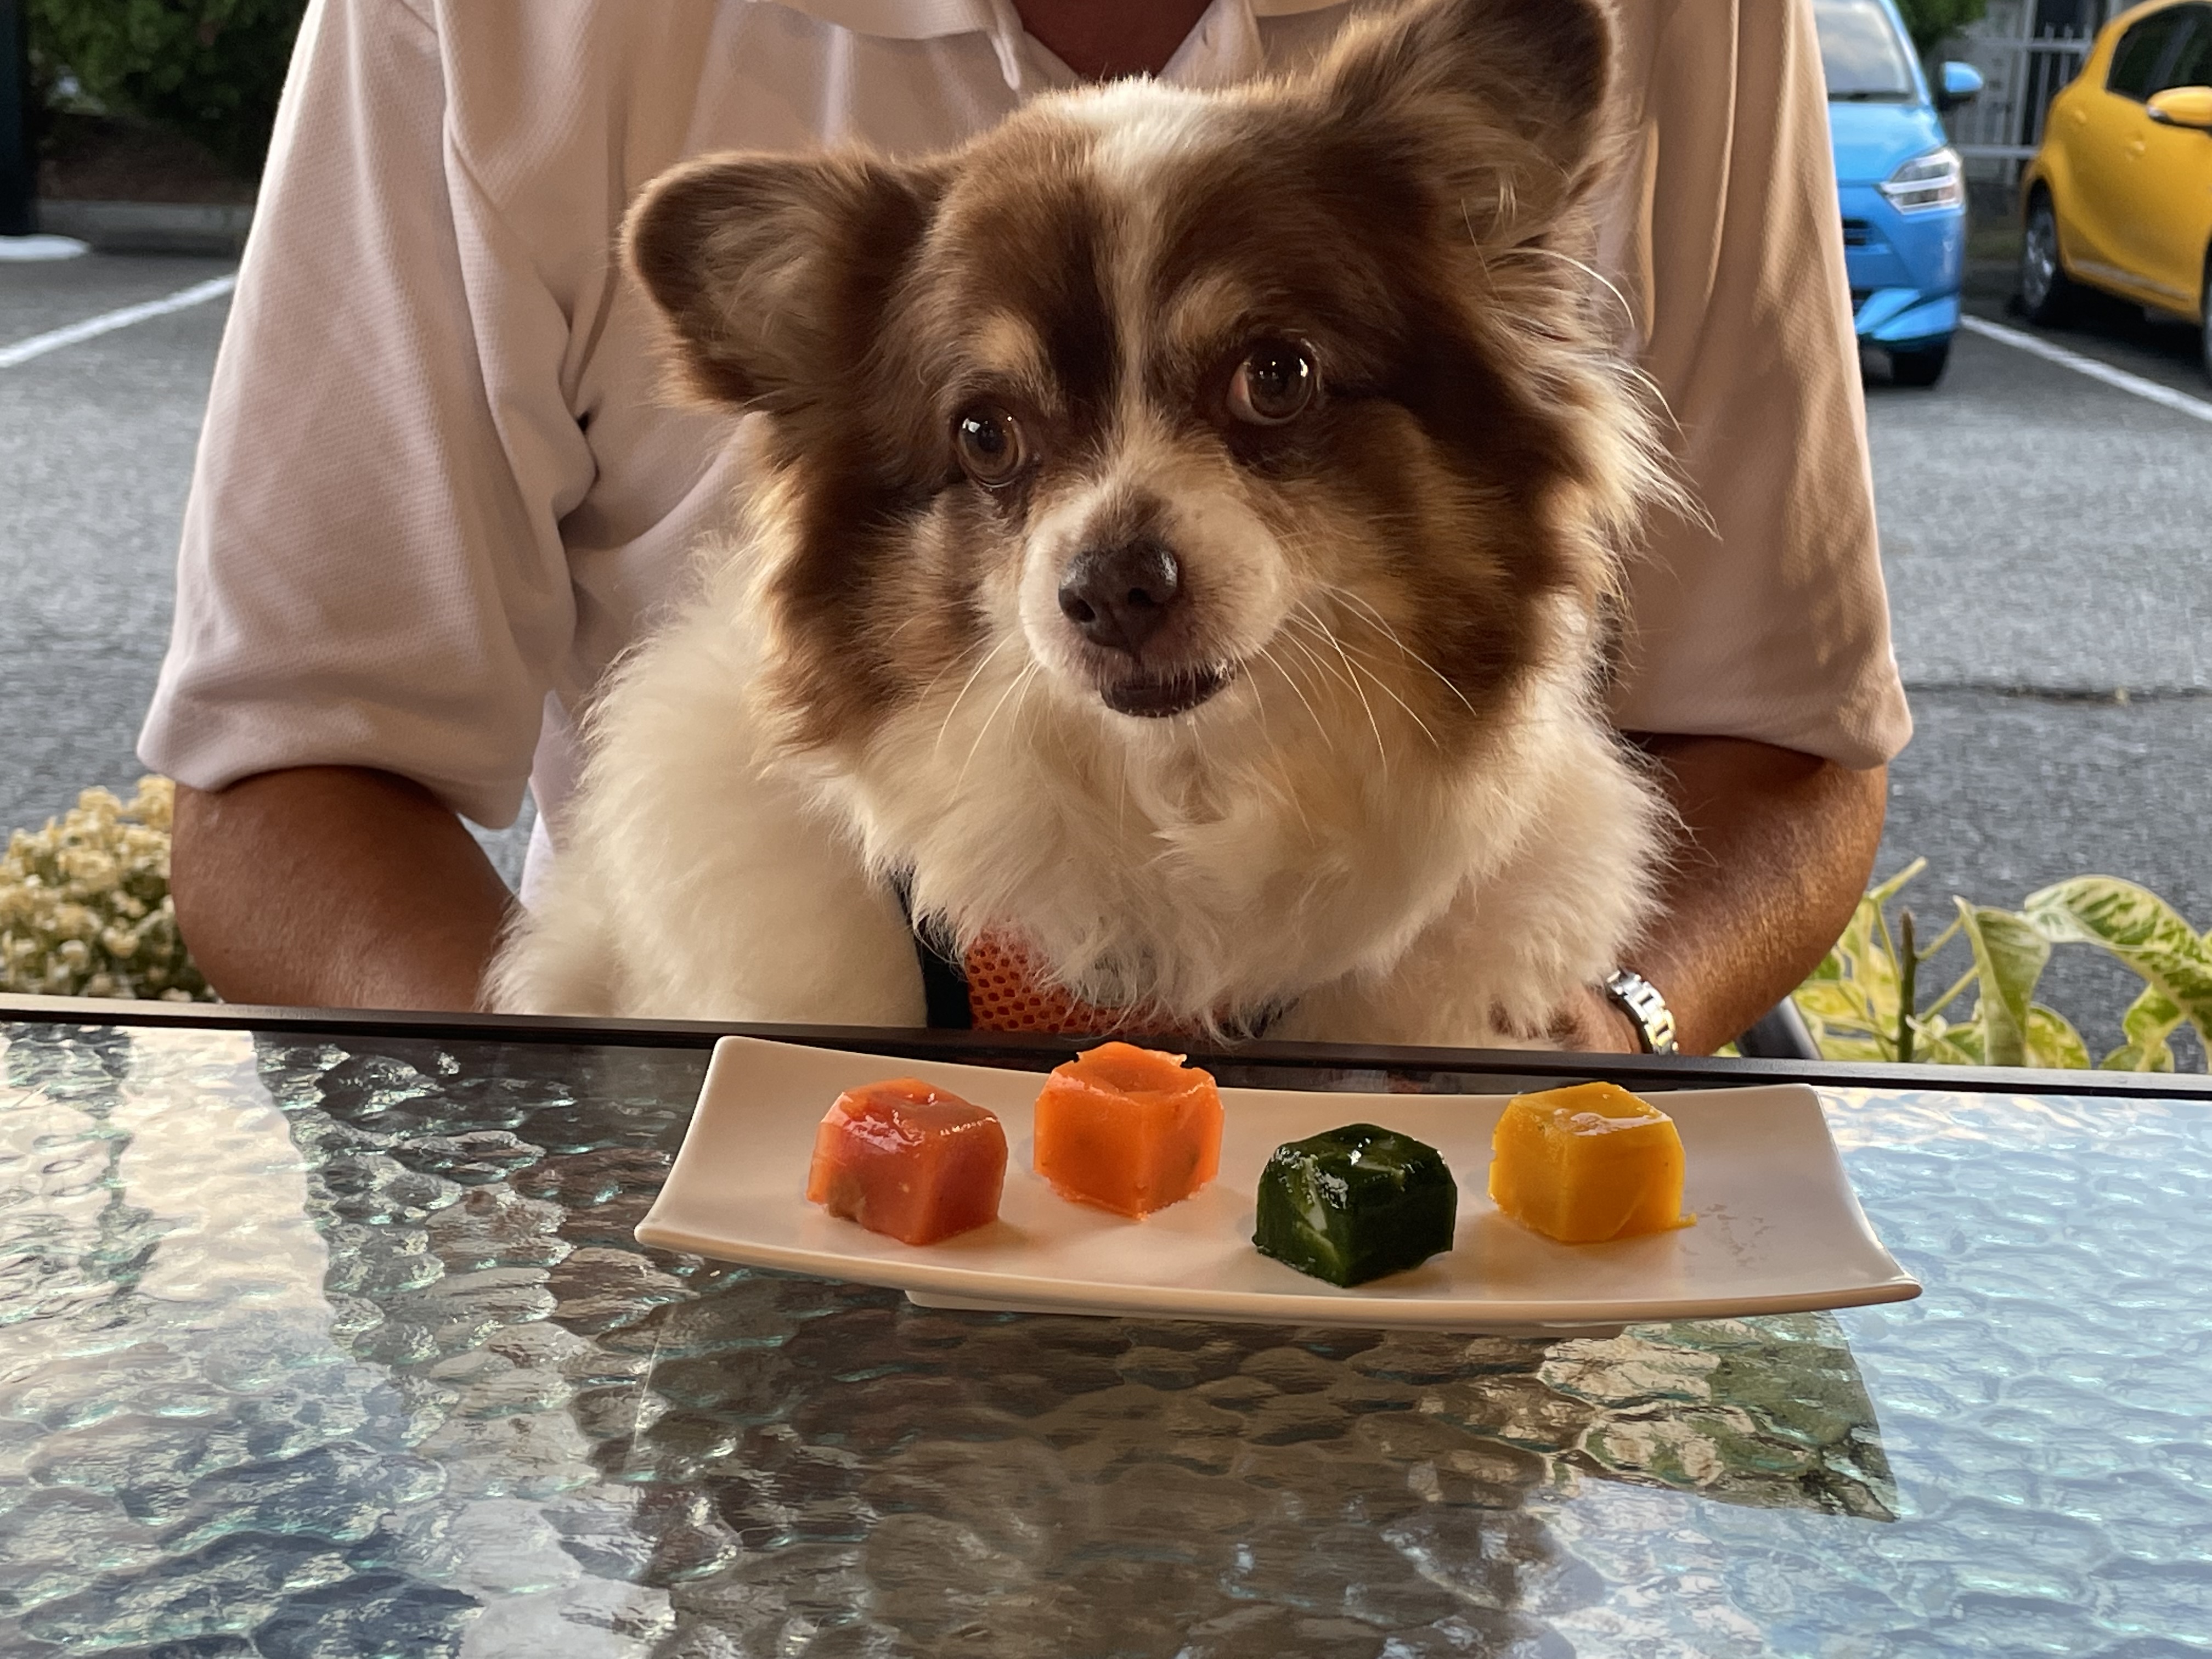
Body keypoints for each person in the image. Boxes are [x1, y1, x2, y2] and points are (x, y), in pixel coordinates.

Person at [140, 0, 1909, 1054]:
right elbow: (289, 764)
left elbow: (1788, 730)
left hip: (1424, 1174)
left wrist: (1600, 1033)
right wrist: (596, 1169)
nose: (1115, 549)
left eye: (1270, 385)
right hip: (759, 1150)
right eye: (993, 433)